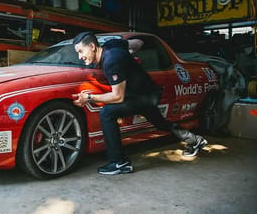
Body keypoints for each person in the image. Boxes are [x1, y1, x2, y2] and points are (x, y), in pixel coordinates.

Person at [72, 32, 208, 175]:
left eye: (81, 51)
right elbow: (138, 43)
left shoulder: (111, 60)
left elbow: (117, 97)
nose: (80, 57)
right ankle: (195, 140)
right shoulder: (113, 45)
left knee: (107, 113)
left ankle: (119, 162)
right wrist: (127, 55)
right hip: (145, 92)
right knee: (160, 123)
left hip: (144, 97)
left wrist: (89, 97)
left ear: (92, 46)